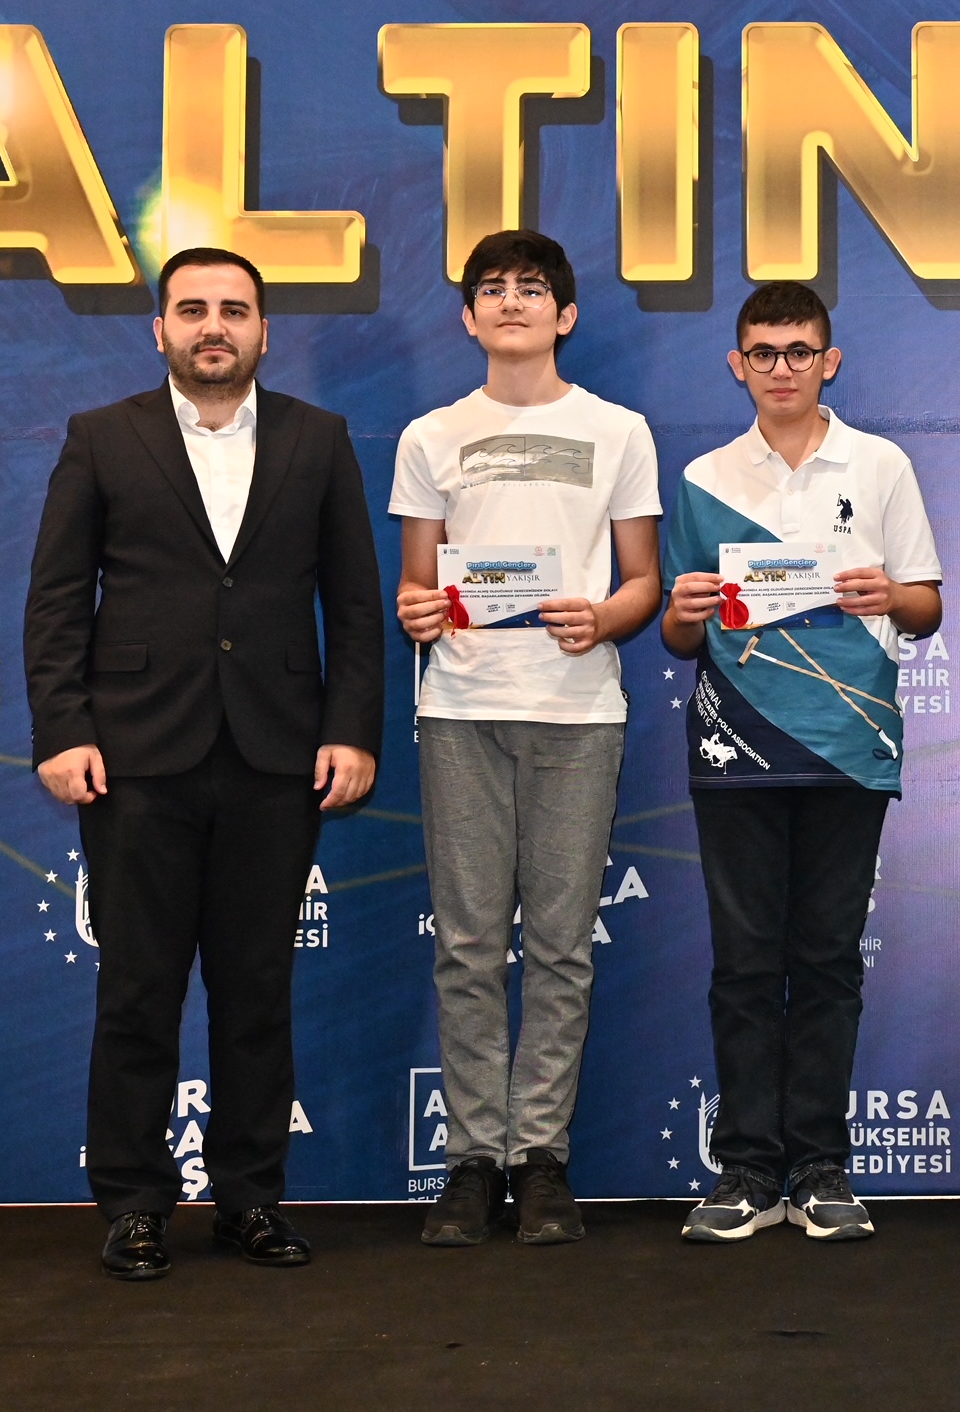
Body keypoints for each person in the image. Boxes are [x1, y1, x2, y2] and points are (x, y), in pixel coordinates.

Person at [24, 246, 384, 1281]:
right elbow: (57, 599)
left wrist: (351, 728)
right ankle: (134, 1205)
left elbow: (355, 604)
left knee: (256, 989)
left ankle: (250, 1199)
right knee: (138, 990)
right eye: (192, 310)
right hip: (135, 758)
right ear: (161, 331)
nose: (213, 326)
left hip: (277, 755)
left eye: (233, 309)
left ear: (265, 331)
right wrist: (63, 730)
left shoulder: (319, 439)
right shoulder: (103, 437)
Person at [390, 230, 663, 1247]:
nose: (512, 302)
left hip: (577, 713)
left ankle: (540, 1158)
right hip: (462, 709)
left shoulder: (618, 430)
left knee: (559, 947)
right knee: (467, 947)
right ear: (468, 318)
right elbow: (417, 585)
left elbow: (641, 581)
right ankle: (472, 1160)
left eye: (533, 288)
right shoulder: (430, 436)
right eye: (493, 289)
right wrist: (419, 610)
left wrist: (606, 616)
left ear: (566, 315)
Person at [660, 281, 943, 1242]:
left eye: (799, 350)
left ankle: (820, 1165)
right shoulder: (704, 477)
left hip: (847, 746)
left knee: (826, 962)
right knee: (745, 965)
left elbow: (927, 605)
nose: (781, 368)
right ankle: (745, 1169)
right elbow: (677, 634)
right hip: (735, 742)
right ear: (737, 365)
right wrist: (685, 611)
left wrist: (885, 594)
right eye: (763, 352)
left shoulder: (882, 463)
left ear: (830, 360)